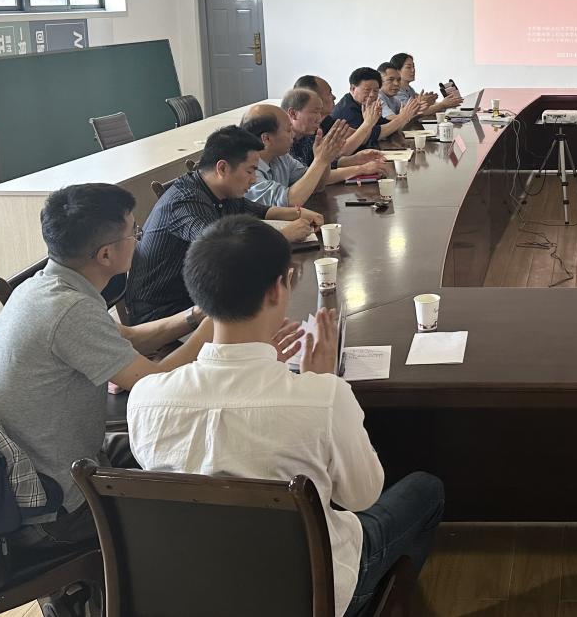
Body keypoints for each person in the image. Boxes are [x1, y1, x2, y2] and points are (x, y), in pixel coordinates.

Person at [128, 216, 445, 617]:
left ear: (199, 293)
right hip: (311, 593)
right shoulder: (322, 397)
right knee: (426, 489)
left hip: (197, 591)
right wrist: (322, 383)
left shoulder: (146, 398)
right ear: (278, 289)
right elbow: (361, 497)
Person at [0, 183, 210, 547]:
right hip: (58, 505)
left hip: (38, 469)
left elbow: (127, 338)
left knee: (181, 448)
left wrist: (196, 316)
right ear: (106, 255)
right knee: (197, 496)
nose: (139, 238)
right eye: (134, 231)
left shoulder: (48, 285)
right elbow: (155, 381)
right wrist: (214, 327)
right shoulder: (70, 310)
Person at [125, 126, 321, 325]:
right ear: (222, 168)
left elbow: (255, 209)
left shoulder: (218, 189)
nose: (254, 179)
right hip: (165, 315)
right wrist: (283, 235)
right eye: (250, 171)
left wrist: (298, 213)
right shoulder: (185, 201)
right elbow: (220, 252)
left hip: (201, 297)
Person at [241, 103, 353, 208]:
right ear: (266, 138)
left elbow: (317, 185)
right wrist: (320, 160)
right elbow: (291, 201)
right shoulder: (246, 169)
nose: (293, 134)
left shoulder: (281, 157)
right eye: (288, 130)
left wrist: (326, 158)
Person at [331, 66, 422, 149]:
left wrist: (405, 118)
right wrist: (402, 118)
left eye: (375, 91)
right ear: (352, 89)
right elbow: (369, 135)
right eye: (367, 90)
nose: (372, 95)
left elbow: (385, 125)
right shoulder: (347, 110)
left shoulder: (366, 105)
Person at [390, 51, 462, 115]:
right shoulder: (396, 92)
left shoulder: (409, 89)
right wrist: (442, 105)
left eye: (413, 66)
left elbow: (423, 107)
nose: (413, 70)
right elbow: (417, 112)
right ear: (397, 70)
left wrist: (445, 103)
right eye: (408, 67)